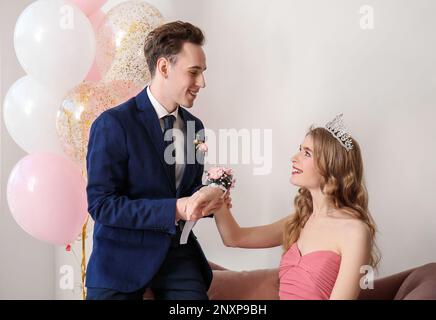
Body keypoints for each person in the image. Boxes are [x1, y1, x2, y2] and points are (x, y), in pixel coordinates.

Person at [85, 21, 224, 300]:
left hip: (178, 258)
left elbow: (186, 193)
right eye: (193, 72)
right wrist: (176, 208)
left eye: (203, 73)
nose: (202, 83)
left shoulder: (195, 127)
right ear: (163, 68)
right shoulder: (113, 124)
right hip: (120, 260)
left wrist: (209, 200)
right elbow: (102, 205)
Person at [210, 114, 380, 299]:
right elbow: (235, 238)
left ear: (332, 166)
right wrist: (217, 194)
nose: (294, 158)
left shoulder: (354, 232)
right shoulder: (301, 220)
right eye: (300, 150)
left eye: (307, 153)